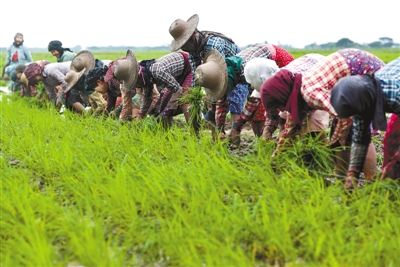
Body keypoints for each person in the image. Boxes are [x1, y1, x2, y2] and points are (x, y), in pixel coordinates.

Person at [263, 48, 385, 179]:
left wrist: (334, 141)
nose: (282, 110)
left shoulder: (309, 92)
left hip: (363, 69)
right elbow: (290, 132)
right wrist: (275, 159)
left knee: (357, 128)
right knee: (339, 131)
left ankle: (370, 180)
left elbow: (345, 113)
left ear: (282, 95)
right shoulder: (297, 95)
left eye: (278, 106)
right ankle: (341, 179)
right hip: (352, 70)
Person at [168, 14, 244, 136]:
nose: (183, 48)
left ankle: (235, 136)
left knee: (234, 101)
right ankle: (217, 135)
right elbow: (195, 75)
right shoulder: (193, 50)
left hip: (236, 67)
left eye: (184, 44)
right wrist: (195, 94)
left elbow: (220, 74)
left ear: (193, 37)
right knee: (210, 104)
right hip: (216, 71)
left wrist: (209, 95)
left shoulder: (212, 45)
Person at [330, 57, 400, 187]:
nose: (356, 117)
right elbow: (360, 138)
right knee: (391, 143)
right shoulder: (364, 97)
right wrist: (353, 173)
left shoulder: (394, 93)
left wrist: (395, 163)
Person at [204, 43, 295, 140]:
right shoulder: (222, 74)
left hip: (277, 60)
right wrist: (220, 130)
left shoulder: (248, 71)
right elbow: (221, 101)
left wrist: (236, 127)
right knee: (255, 114)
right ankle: (264, 141)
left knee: (265, 110)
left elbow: (254, 100)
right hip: (259, 61)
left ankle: (273, 141)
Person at [231, 53, 327, 145]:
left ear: (260, 79)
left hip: (320, 74)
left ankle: (318, 152)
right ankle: (291, 148)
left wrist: (286, 137)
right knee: (283, 119)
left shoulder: (295, 83)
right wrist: (267, 131)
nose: (251, 85)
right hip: (301, 79)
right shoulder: (269, 85)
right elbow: (271, 113)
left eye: (252, 82)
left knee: (312, 125)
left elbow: (302, 112)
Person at [132, 51, 197, 131]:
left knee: (185, 103)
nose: (135, 87)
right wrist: (140, 117)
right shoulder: (145, 78)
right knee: (163, 105)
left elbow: (176, 89)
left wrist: (166, 111)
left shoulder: (157, 71)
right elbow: (147, 99)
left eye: (135, 85)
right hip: (174, 76)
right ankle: (166, 132)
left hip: (188, 67)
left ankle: (195, 133)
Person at [85, 50, 137, 120]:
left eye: (95, 89)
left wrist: (118, 111)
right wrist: (103, 120)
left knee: (129, 114)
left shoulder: (113, 80)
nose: (97, 92)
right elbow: (110, 106)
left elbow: (132, 95)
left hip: (141, 94)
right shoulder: (109, 88)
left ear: (99, 82)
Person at [64, 50, 107, 115]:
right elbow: (99, 104)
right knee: (96, 105)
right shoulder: (86, 78)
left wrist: (92, 116)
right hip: (93, 92)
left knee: (98, 105)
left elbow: (102, 104)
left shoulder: (88, 83)